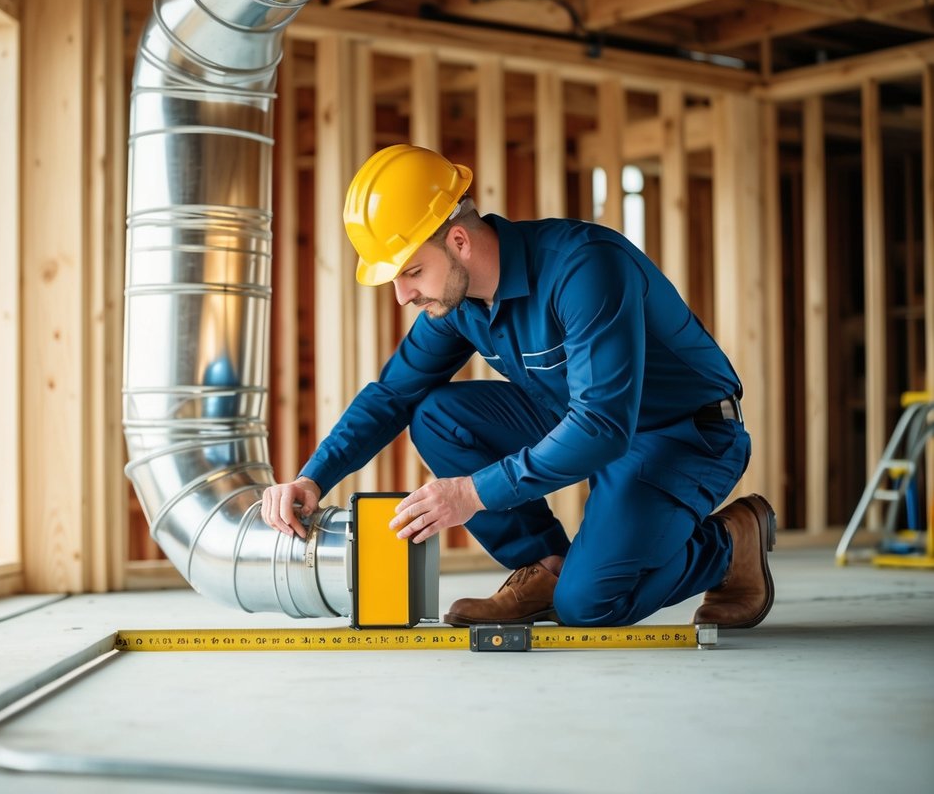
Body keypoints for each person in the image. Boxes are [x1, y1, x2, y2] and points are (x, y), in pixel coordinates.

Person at [259, 143, 775, 629]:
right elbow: (392, 395)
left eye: (412, 271)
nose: (402, 295)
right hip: (584, 417)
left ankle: (732, 545)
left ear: (458, 241)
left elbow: (602, 427)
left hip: (682, 433)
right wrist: (313, 479)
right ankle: (546, 567)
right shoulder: (458, 305)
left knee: (591, 605)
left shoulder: (585, 267)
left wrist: (473, 492)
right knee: (438, 415)